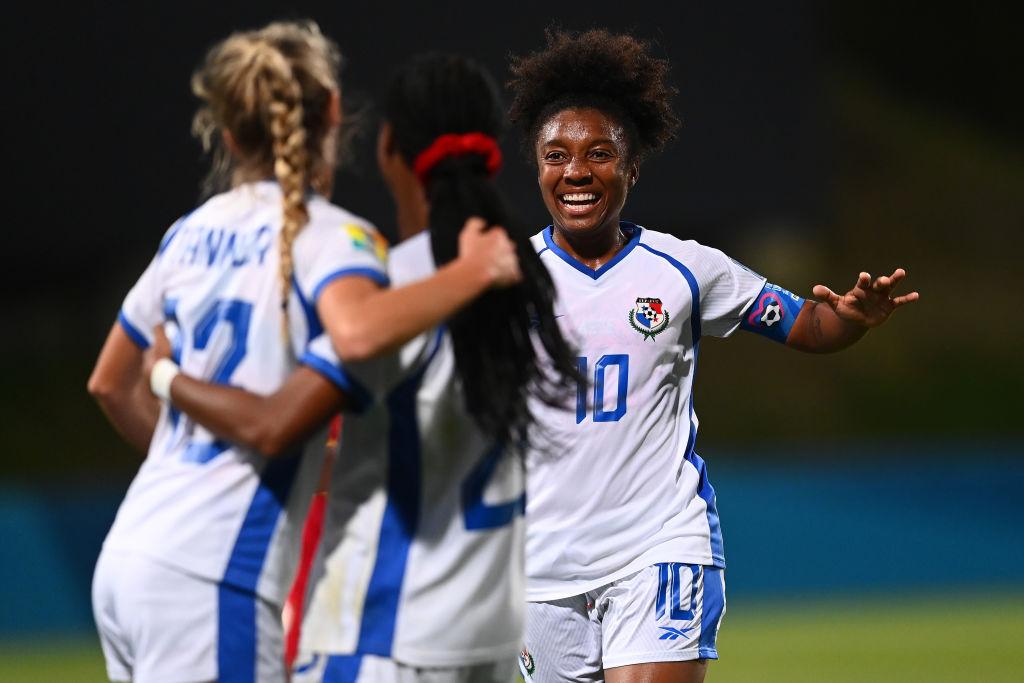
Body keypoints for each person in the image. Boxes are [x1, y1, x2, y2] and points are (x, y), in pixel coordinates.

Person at [86, 23, 521, 683]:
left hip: (133, 550)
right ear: (334, 114)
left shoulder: (188, 233)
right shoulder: (335, 239)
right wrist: (472, 271)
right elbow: (356, 333)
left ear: (229, 134)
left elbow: (110, 383)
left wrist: (184, 421)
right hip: (214, 569)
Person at [505, 28, 920, 683]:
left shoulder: (686, 270)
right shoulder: (501, 279)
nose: (576, 170)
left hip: (659, 547)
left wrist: (848, 318)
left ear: (632, 167)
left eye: (599, 153)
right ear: (537, 168)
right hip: (539, 567)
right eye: (556, 154)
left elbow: (804, 324)